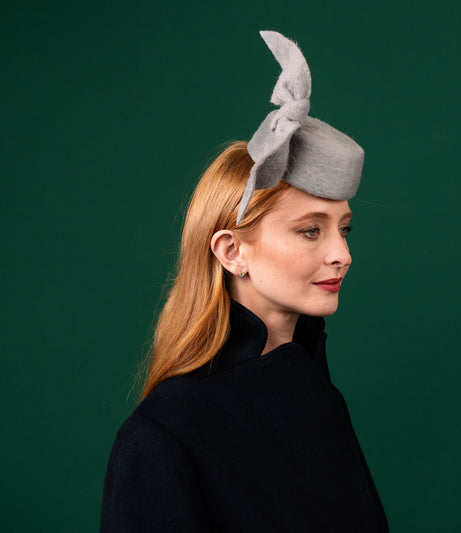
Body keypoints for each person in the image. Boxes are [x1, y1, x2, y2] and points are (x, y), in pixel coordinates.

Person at [100, 31, 389, 532]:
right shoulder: (167, 431)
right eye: (310, 230)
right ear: (232, 251)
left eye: (343, 229)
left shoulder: (321, 401)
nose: (342, 255)